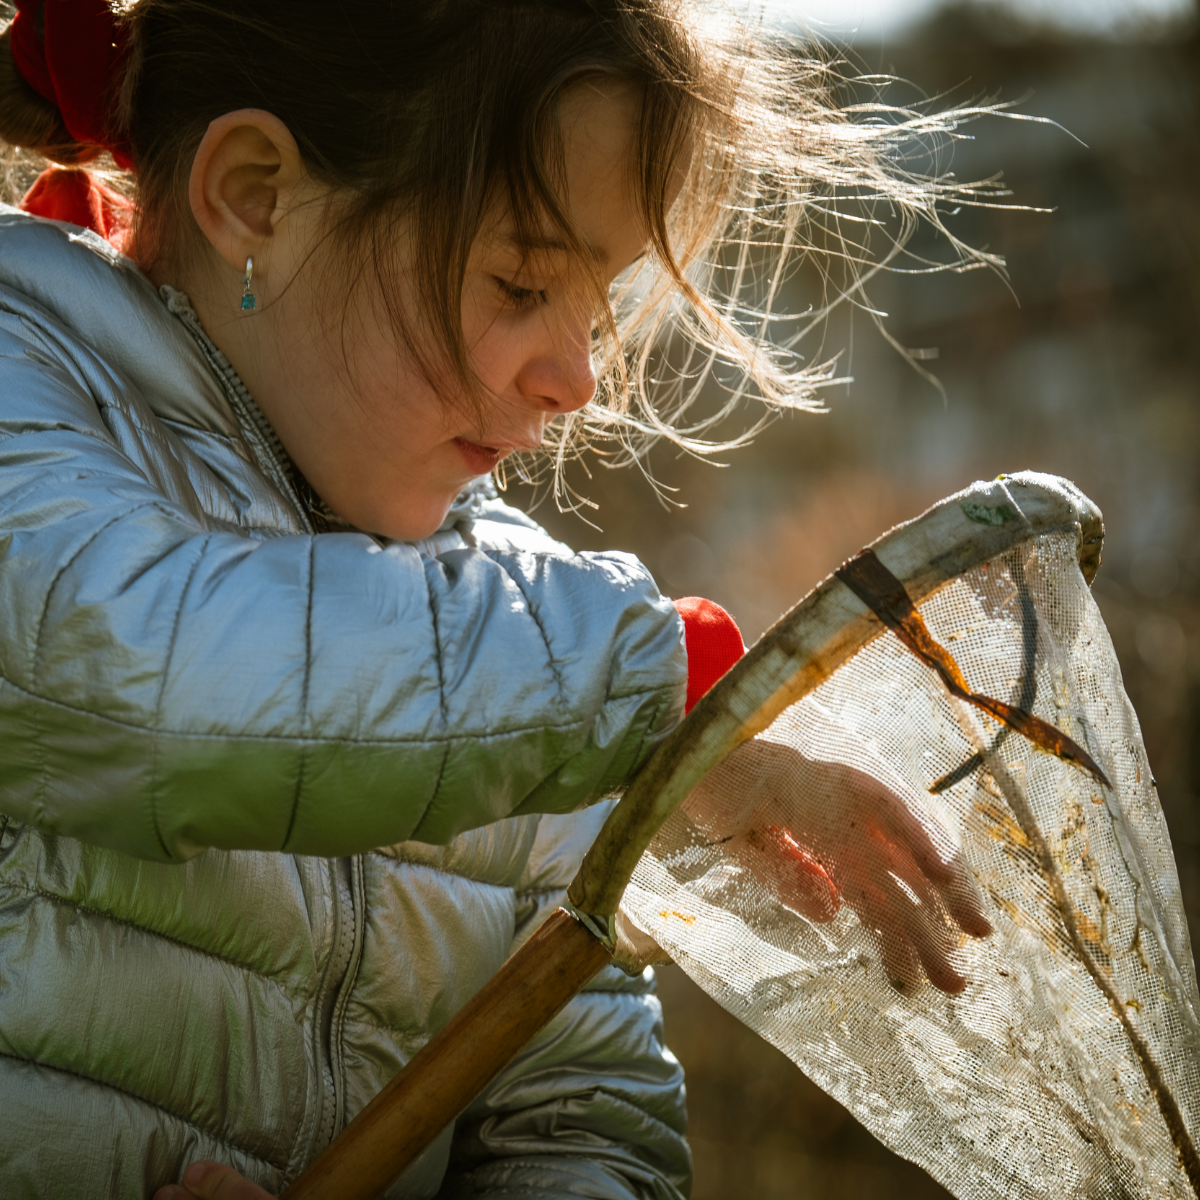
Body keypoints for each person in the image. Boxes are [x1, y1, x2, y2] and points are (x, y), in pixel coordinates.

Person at [0, 2, 994, 1197]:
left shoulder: (510, 626)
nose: (575, 376)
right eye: (522, 281)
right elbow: (139, 667)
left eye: (598, 303)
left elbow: (588, 1119)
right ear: (258, 195)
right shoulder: (27, 392)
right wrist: (655, 707)